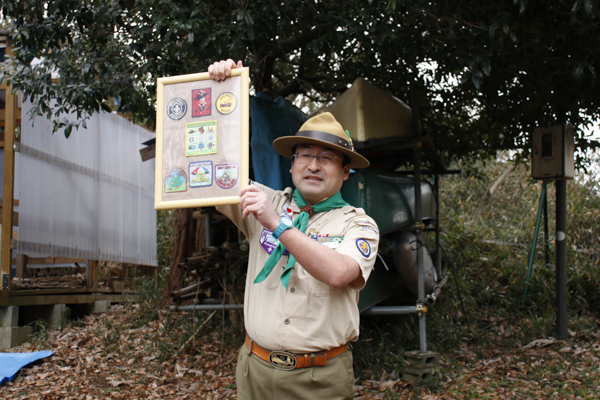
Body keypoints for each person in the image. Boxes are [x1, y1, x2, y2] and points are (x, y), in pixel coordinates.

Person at [209, 59, 380, 400]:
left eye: (327, 158)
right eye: (304, 155)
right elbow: (213, 168)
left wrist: (278, 223)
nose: (313, 165)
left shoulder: (358, 224)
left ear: (346, 172)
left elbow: (338, 272)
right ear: (292, 166)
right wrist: (223, 91)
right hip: (253, 369)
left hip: (320, 379)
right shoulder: (263, 200)